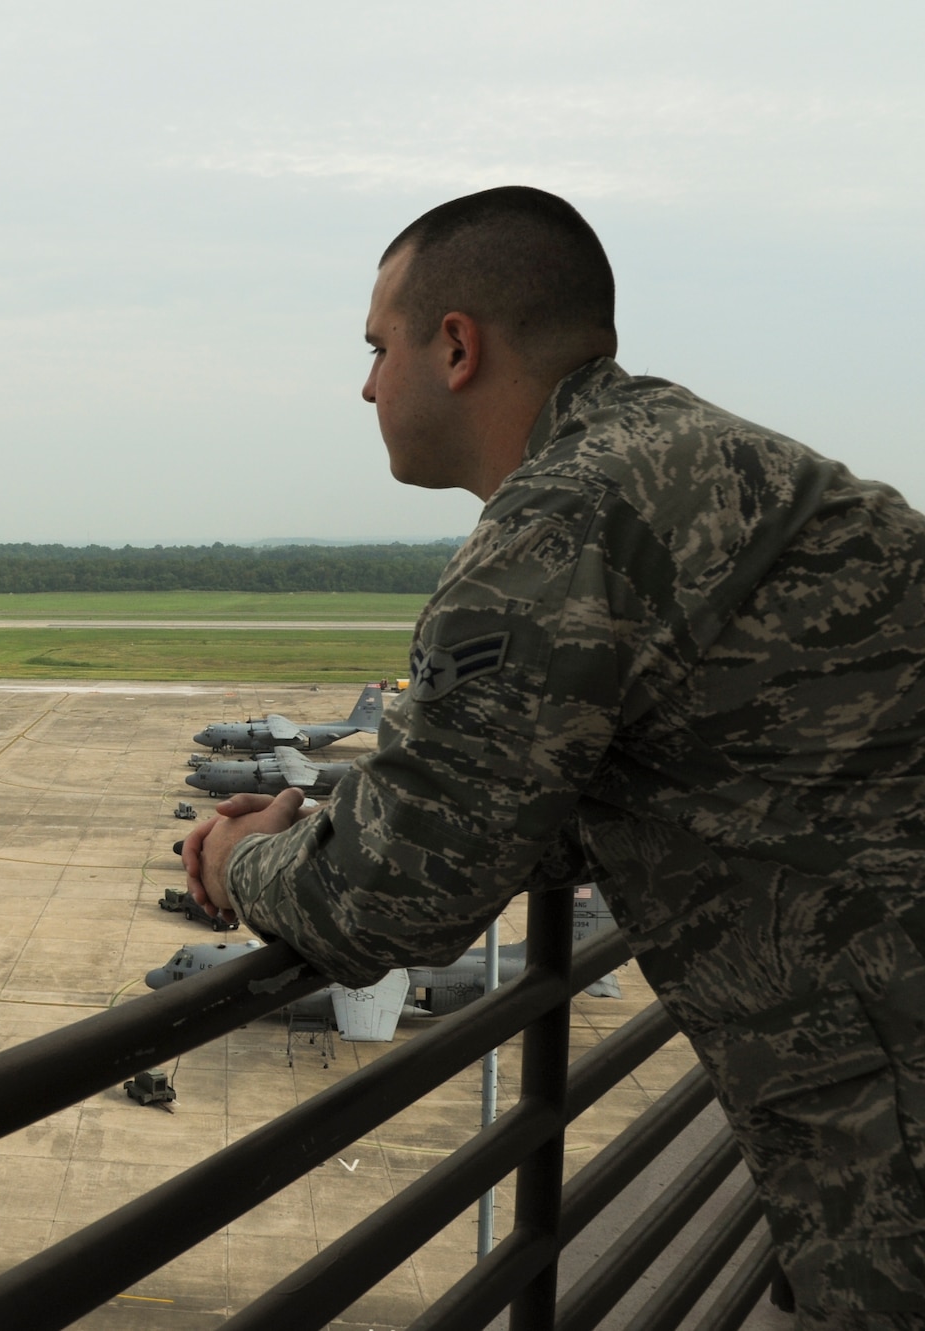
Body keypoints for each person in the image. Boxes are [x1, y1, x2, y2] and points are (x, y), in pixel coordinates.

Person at [183, 186, 925, 1326]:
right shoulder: (718, 462)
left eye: (377, 348)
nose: (367, 385)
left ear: (456, 346)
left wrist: (237, 863)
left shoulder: (560, 523)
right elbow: (625, 775)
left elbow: (387, 906)